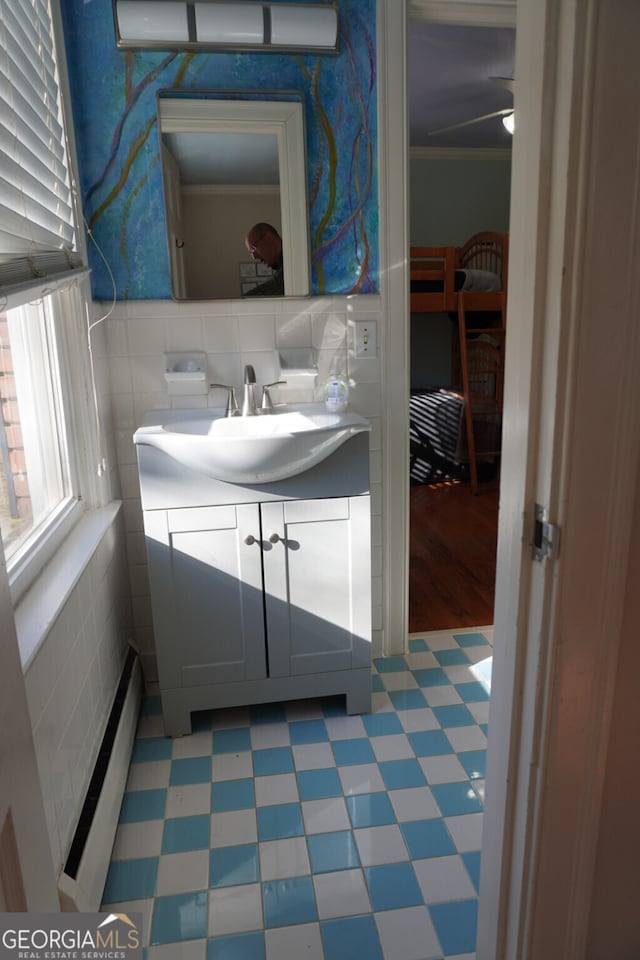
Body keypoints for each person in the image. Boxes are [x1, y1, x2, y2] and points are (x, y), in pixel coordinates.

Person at [243, 222, 284, 296]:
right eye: (250, 253)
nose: (254, 257)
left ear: (269, 238)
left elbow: (279, 284)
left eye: (253, 249)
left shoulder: (292, 261)